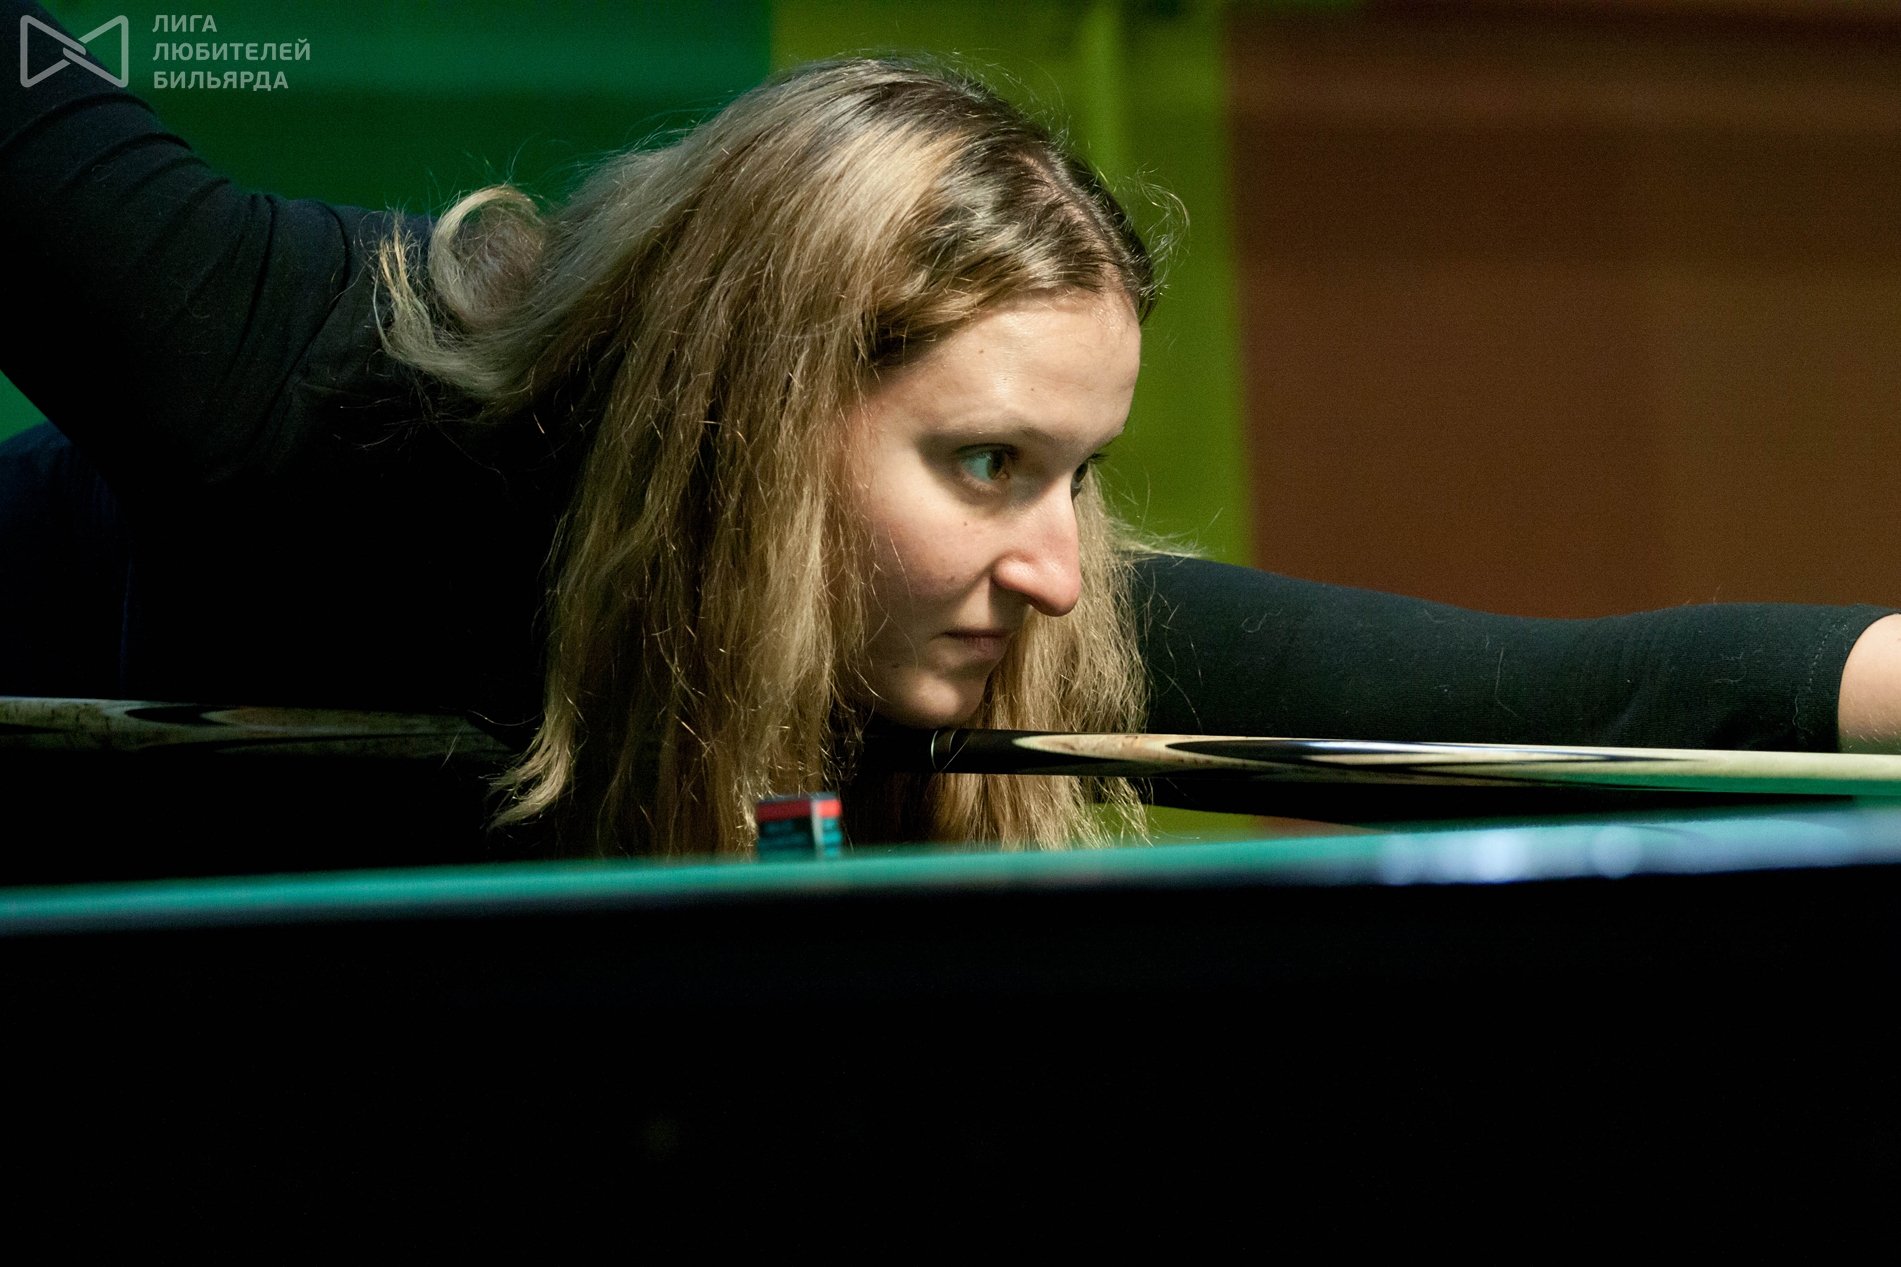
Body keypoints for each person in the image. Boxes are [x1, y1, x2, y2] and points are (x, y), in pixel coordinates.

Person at [4, 0, 1899, 857]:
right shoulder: (291, 371)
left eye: (1076, 473)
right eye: (987, 462)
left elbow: (1580, 701)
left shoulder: (964, 624)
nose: (1059, 568)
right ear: (748, 414)